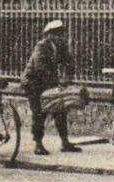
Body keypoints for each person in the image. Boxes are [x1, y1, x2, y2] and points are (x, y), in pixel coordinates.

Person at [22, 19, 81, 156]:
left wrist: (68, 76)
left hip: (49, 82)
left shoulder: (61, 46)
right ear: (48, 35)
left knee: (60, 110)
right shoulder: (41, 47)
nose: (59, 37)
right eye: (56, 34)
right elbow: (40, 68)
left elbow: (69, 62)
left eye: (61, 34)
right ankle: (38, 144)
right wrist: (56, 82)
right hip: (34, 83)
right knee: (39, 113)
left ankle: (65, 142)